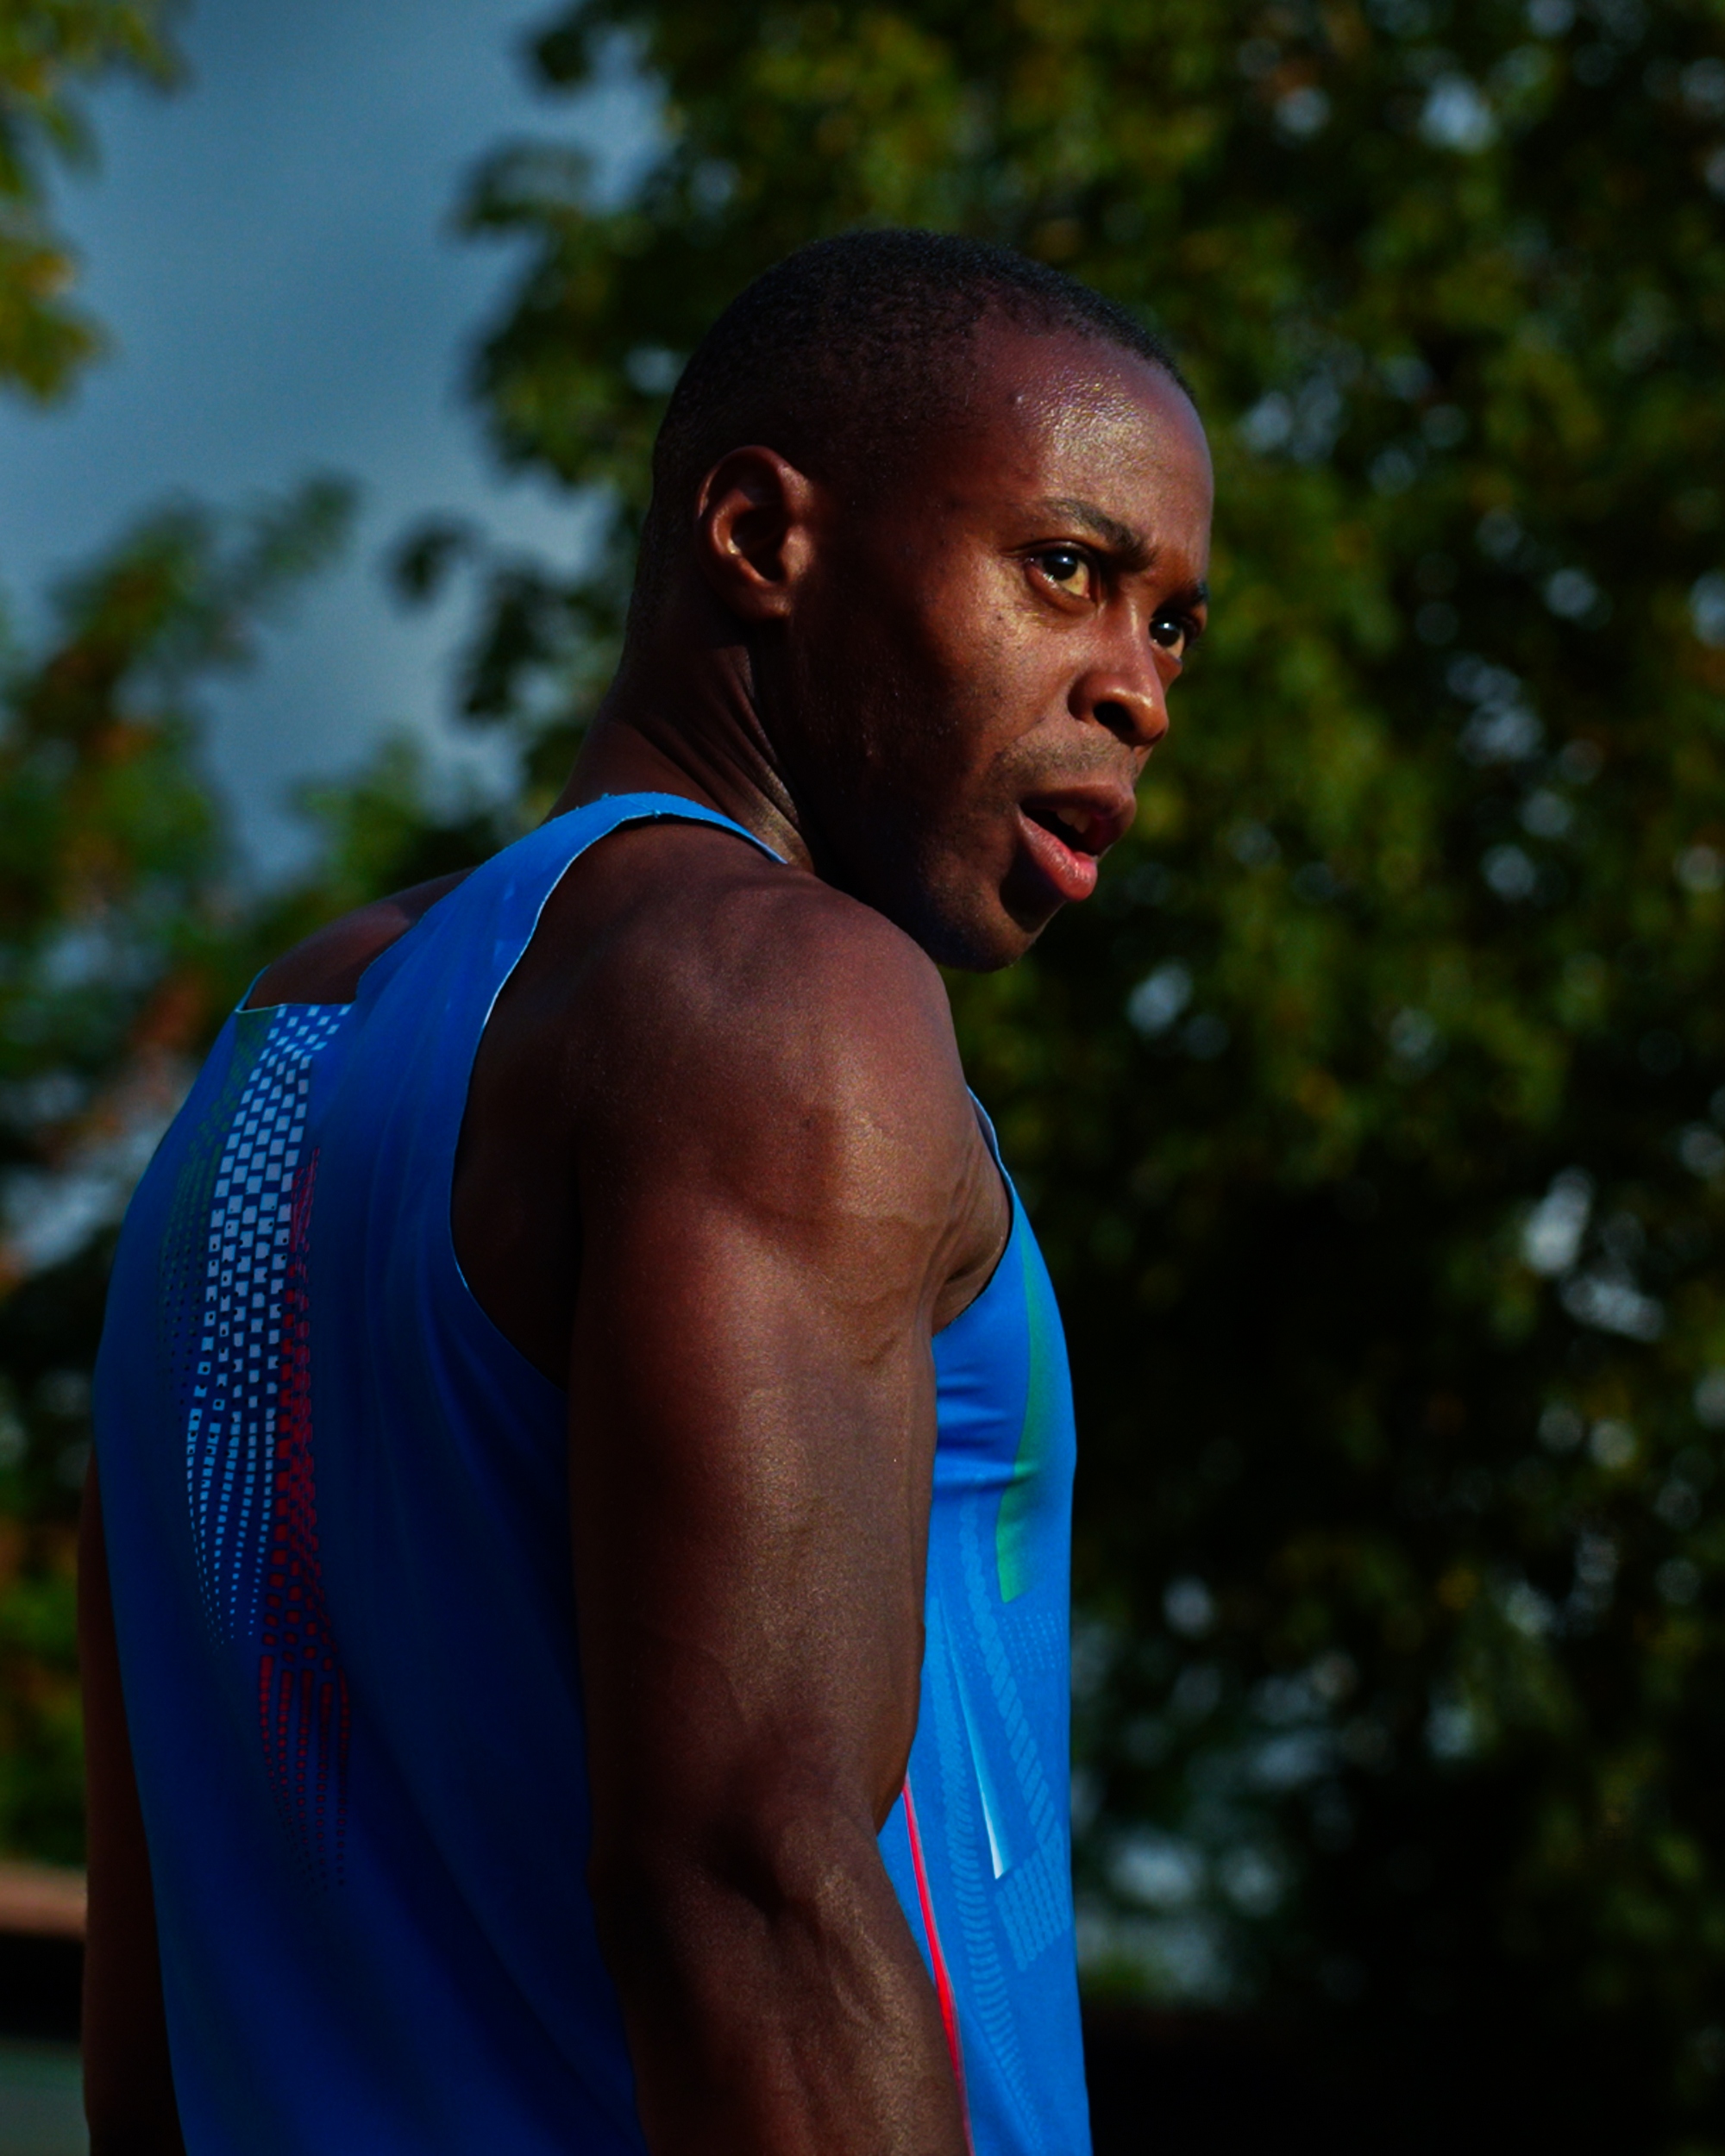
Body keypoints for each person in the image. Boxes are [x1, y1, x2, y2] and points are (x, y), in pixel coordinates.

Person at [80, 229, 1212, 2155]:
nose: (1138, 691)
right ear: (760, 538)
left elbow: (157, 2007)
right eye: (1066, 569)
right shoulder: (796, 999)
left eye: (1172, 626)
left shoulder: (265, 1073)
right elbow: (752, 1884)